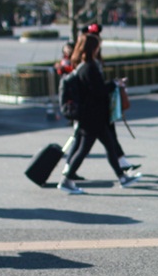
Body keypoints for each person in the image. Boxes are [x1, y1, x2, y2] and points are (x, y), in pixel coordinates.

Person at [57, 33, 141, 194]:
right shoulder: (90, 67)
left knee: (109, 146)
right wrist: (114, 84)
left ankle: (122, 178)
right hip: (92, 116)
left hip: (92, 115)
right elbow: (98, 91)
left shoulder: (83, 66)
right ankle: (66, 180)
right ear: (94, 48)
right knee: (84, 149)